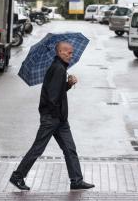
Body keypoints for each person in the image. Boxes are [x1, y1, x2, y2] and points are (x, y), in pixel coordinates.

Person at [10, 42, 95, 191]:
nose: (71, 55)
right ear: (60, 52)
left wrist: (68, 84)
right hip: (53, 118)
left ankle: (76, 180)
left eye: (72, 52)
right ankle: (17, 176)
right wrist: (56, 117)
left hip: (59, 119)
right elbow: (52, 97)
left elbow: (57, 91)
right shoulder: (58, 69)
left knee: (70, 149)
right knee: (38, 148)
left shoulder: (60, 67)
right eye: (69, 52)